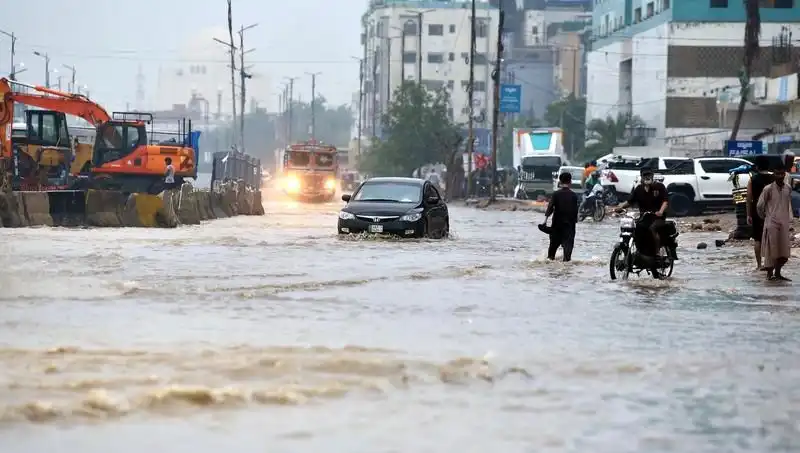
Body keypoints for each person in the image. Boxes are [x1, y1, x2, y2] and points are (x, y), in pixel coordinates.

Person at [615, 168, 670, 258]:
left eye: (649, 175)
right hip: (644, 217)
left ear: (652, 176)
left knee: (653, 228)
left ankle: (657, 252)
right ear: (641, 177)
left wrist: (660, 211)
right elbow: (630, 202)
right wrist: (620, 207)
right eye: (645, 175)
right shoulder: (638, 189)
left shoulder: (659, 187)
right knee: (635, 229)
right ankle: (640, 251)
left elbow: (665, 201)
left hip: (658, 218)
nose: (647, 177)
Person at [757, 166, 792, 281]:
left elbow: (788, 205)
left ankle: (778, 273)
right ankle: (769, 275)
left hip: (784, 223)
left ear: (784, 175)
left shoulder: (788, 188)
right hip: (771, 223)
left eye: (782, 174)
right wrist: (766, 218)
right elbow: (760, 206)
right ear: (774, 175)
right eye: (778, 174)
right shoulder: (768, 189)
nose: (780, 176)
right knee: (771, 250)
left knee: (784, 251)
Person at [545, 171, 579, 262]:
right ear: (570, 182)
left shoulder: (556, 194)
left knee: (551, 255)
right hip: (569, 227)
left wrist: (545, 220)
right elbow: (575, 212)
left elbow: (550, 208)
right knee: (567, 258)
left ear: (560, 182)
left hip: (556, 226)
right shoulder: (574, 196)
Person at [746, 155, 772, 270]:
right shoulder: (774, 178)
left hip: (757, 210)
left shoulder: (753, 179)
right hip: (772, 211)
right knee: (771, 238)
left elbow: (748, 198)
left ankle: (759, 265)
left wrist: (748, 214)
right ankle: (769, 263)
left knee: (758, 238)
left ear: (757, 166)